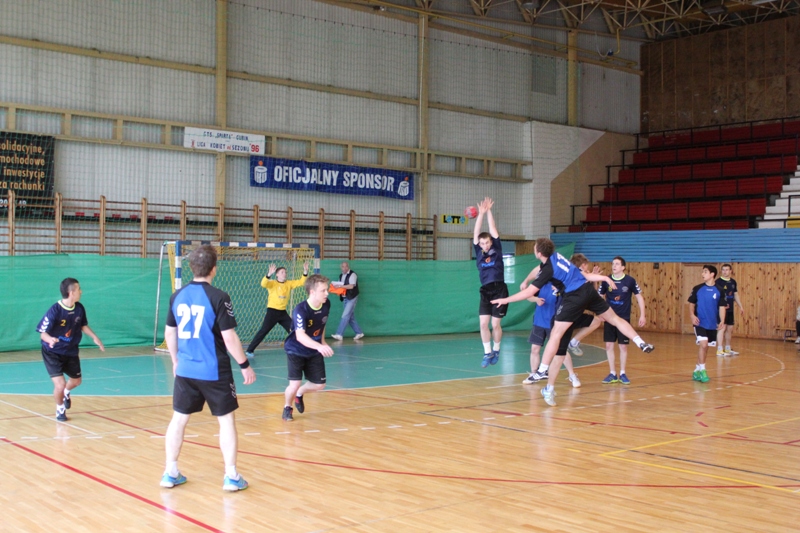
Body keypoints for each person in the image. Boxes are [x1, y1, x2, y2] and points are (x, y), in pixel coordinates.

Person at [492, 238, 654, 407]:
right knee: (613, 319)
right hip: (586, 292)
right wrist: (604, 278)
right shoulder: (558, 257)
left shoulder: (548, 269)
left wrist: (505, 300)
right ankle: (640, 342)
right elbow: (582, 275)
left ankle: (542, 371)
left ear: (538, 253)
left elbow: (529, 292)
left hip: (572, 301)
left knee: (555, 335)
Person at [161, 245, 256, 492]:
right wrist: (244, 365)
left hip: (186, 371)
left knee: (178, 419)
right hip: (214, 371)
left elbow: (170, 333)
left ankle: (170, 472)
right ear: (214, 268)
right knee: (226, 421)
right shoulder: (219, 297)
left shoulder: (177, 296)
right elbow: (229, 337)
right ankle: (231, 476)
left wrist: (175, 361)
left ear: (191, 268)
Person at [36, 278, 105, 422]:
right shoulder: (55, 310)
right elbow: (43, 333)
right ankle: (60, 408)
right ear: (71, 292)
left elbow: (83, 325)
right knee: (60, 384)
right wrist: (50, 339)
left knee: (77, 381)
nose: (81, 291)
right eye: (79, 289)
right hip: (52, 352)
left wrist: (95, 337)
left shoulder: (79, 308)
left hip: (71, 351)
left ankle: (66, 392)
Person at [282, 274, 334, 421]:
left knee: (320, 384)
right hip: (295, 350)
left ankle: (300, 393)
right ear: (312, 292)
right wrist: (319, 346)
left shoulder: (326, 304)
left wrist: (322, 342)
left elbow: (321, 324)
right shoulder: (301, 310)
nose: (327, 293)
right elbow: (300, 336)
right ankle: (287, 407)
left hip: (314, 350)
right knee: (294, 384)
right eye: (323, 290)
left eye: (327, 290)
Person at [521, 275, 581, 388]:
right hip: (539, 321)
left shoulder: (561, 285)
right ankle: (534, 373)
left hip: (554, 323)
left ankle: (572, 375)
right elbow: (528, 295)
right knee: (534, 348)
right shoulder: (540, 283)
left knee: (560, 351)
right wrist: (536, 299)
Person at [596, 256, 646, 385]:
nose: (614, 266)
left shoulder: (630, 281)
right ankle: (612, 373)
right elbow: (599, 296)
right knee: (609, 345)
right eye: (613, 263)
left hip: (623, 319)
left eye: (617, 264)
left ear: (623, 267)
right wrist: (599, 312)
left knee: (623, 346)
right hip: (609, 318)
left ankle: (623, 373)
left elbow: (639, 297)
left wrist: (643, 315)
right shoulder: (606, 280)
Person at [245, 261, 309, 359]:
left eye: (285, 272)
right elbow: (263, 284)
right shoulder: (272, 283)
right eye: (282, 272)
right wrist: (268, 275)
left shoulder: (289, 283)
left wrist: (305, 271)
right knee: (264, 330)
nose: (284, 274)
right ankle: (250, 350)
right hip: (272, 312)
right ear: (277, 274)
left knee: (294, 329)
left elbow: (301, 282)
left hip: (282, 313)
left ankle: (301, 347)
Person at [473, 197, 508, 368]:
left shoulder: (497, 249)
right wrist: (480, 214)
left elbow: (492, 229)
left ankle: (497, 349)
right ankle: (487, 352)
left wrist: (488, 212)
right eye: (482, 243)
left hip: (499, 289)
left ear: (491, 242)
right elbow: (476, 233)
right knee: (483, 324)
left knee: (495, 324)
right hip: (485, 291)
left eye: (487, 242)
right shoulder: (479, 251)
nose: (485, 245)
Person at [688, 265, 726, 383]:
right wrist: (692, 315)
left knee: (705, 348)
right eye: (702, 272)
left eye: (705, 272)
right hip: (699, 322)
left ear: (712, 274)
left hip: (712, 324)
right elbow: (691, 304)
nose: (702, 274)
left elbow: (722, 307)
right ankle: (703, 370)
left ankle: (697, 370)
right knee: (703, 345)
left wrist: (722, 320)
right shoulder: (697, 288)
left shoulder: (719, 290)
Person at [715, 264, 744, 356]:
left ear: (730, 271)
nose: (725, 272)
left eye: (727, 270)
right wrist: (721, 305)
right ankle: (719, 350)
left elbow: (735, 294)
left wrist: (740, 306)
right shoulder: (718, 282)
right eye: (723, 270)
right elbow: (715, 296)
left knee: (729, 328)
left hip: (730, 309)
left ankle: (727, 349)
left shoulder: (733, 282)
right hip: (721, 310)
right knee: (722, 328)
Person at [331, 261, 364, 341]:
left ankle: (339, 334)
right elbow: (340, 286)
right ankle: (359, 332)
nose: (345, 268)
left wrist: (340, 286)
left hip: (352, 297)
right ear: (341, 267)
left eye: (346, 266)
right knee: (350, 317)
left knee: (345, 315)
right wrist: (336, 288)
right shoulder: (341, 275)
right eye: (343, 266)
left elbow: (351, 286)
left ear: (348, 267)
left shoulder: (353, 274)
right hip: (345, 297)